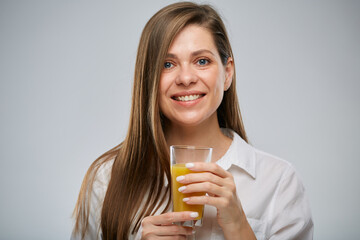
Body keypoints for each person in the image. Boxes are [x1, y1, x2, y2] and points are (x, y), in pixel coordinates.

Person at [71, 2, 313, 239]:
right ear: (149, 80)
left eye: (202, 61)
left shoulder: (278, 181)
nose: (186, 78)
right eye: (167, 64)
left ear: (228, 73)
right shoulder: (106, 178)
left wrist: (239, 227)